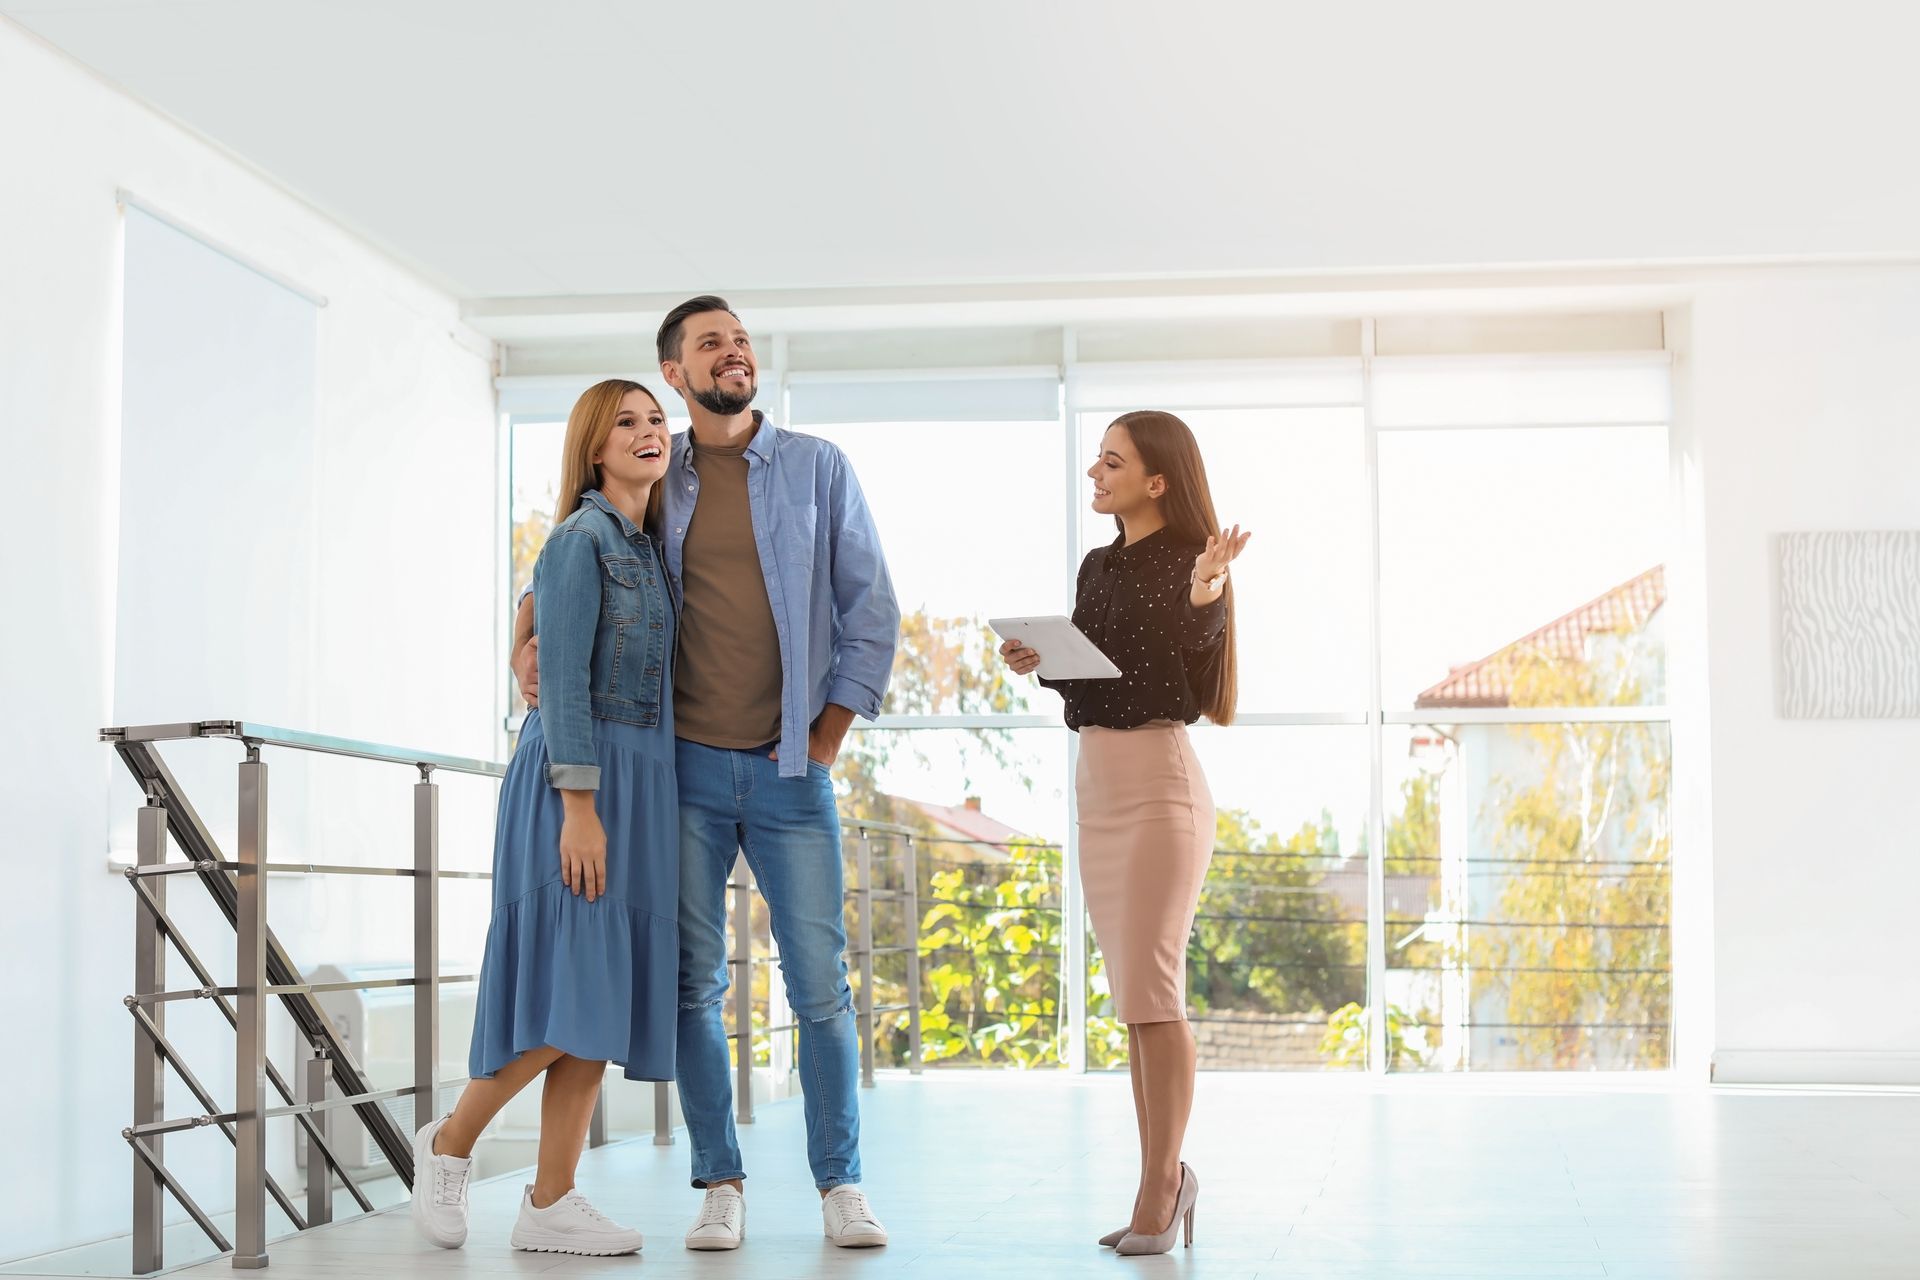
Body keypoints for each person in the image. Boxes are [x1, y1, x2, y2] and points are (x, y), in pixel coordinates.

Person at [511, 296, 900, 1251]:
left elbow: (872, 609)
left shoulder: (816, 467)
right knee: (693, 986)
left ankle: (841, 1184)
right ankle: (719, 1182)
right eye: (709, 343)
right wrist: (521, 640)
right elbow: (568, 563)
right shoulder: (656, 466)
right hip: (677, 773)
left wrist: (826, 737)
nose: (734, 352)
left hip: (789, 771)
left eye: (740, 339)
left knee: (820, 986)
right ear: (675, 373)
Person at [409, 380, 679, 1258]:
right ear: (595, 449)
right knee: (571, 999)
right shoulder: (579, 540)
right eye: (626, 423)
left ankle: (552, 1200)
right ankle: (451, 1143)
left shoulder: (650, 549)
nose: (647, 432)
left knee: (599, 1002)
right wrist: (580, 806)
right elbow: (558, 678)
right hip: (579, 783)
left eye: (655, 420)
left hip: (640, 786)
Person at [1000, 410, 1250, 1257]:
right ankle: (1161, 1179)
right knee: (1136, 1004)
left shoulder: (1192, 562)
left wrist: (1208, 588)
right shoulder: (1097, 565)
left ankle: (1162, 1188)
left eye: (1113, 462)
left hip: (1158, 787)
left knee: (1154, 994)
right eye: (1097, 460)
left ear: (1157, 480)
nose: (1096, 473)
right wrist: (1042, 662)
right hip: (1098, 785)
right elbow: (1098, 676)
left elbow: (1192, 646)